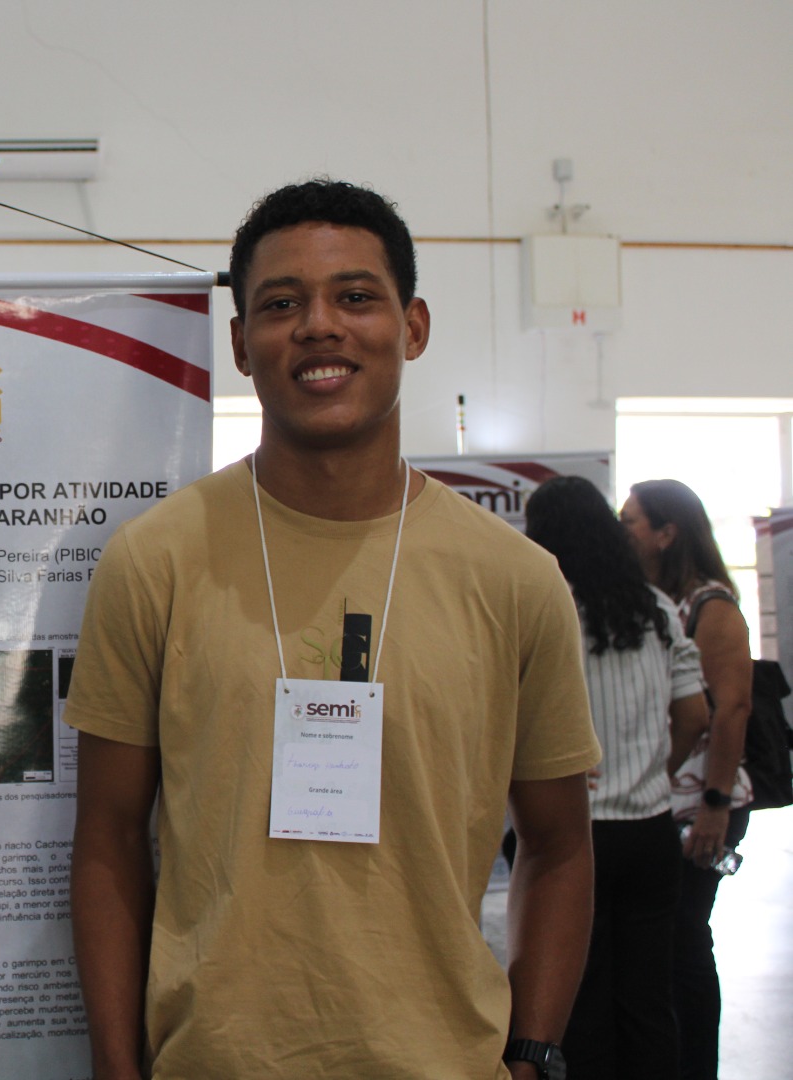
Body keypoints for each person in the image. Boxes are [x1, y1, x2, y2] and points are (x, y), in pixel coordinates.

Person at [65, 179, 601, 1080]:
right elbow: (109, 842)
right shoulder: (156, 560)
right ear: (241, 344)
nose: (319, 326)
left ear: (412, 327)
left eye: (355, 296)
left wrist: (534, 1051)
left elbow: (559, 845)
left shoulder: (515, 579)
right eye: (282, 304)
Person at [525, 476, 712, 1078]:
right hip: (652, 829)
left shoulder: (549, 608)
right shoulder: (657, 609)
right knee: (649, 997)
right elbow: (695, 714)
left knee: (583, 997)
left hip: (573, 835)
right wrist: (655, 770)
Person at [621, 479, 754, 1080]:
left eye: (631, 520)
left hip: (703, 799)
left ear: (666, 533)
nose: (623, 530)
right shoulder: (653, 601)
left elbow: (732, 710)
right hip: (664, 796)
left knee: (686, 942)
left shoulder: (711, 605)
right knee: (666, 944)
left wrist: (715, 807)